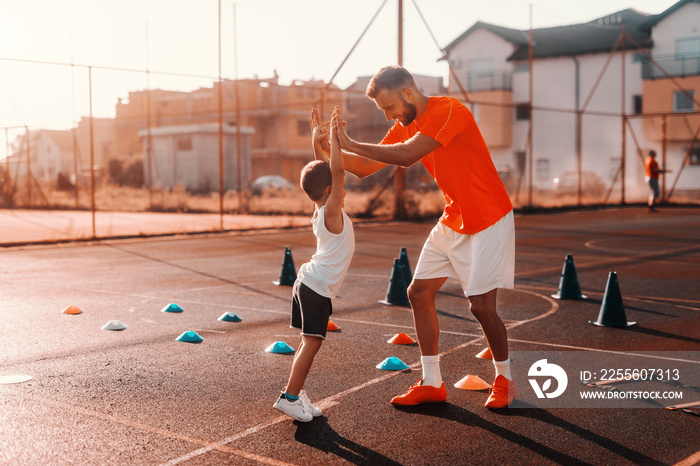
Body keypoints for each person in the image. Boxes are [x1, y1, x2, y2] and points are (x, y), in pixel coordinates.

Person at [334, 66, 516, 409]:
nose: (389, 116)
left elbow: (406, 156)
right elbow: (361, 168)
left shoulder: (448, 110)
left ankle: (505, 379)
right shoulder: (406, 122)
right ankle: (432, 382)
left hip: (490, 216)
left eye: (389, 108)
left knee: (481, 307)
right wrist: (325, 145)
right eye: (384, 112)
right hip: (454, 216)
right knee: (418, 292)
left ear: (407, 93)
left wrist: (351, 142)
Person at [273, 107, 355, 422]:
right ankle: (290, 396)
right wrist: (333, 138)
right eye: (340, 188)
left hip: (308, 284)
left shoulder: (320, 208)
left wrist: (316, 143)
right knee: (312, 342)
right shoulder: (332, 212)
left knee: (309, 342)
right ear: (331, 191)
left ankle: (298, 392)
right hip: (314, 287)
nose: (344, 190)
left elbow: (324, 174)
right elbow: (337, 173)